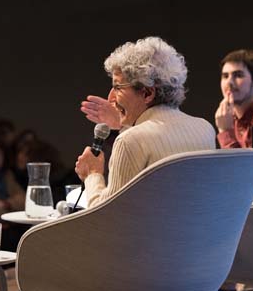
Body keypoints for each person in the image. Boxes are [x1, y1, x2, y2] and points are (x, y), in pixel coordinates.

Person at [75, 36, 216, 208]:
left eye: (118, 87)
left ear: (147, 93)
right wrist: (124, 124)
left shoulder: (129, 141)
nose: (110, 97)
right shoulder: (205, 129)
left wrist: (92, 174)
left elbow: (109, 218)